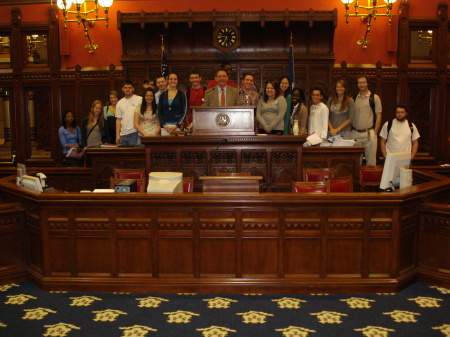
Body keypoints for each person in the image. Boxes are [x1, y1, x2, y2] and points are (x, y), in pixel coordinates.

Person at [350, 75, 382, 166]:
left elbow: (379, 115)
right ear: (357, 85)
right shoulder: (354, 99)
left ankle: (370, 180)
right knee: (356, 162)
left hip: (369, 133)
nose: (362, 84)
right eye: (360, 83)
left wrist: (375, 132)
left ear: (367, 83)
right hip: (355, 133)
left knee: (371, 162)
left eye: (364, 82)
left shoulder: (374, 97)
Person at [115, 81, 142, 146]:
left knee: (134, 155)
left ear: (133, 89)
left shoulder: (139, 99)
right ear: (122, 89)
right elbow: (118, 120)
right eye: (126, 88)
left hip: (134, 132)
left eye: (129, 88)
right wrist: (117, 135)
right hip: (123, 134)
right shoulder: (119, 103)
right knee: (123, 155)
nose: (127, 89)